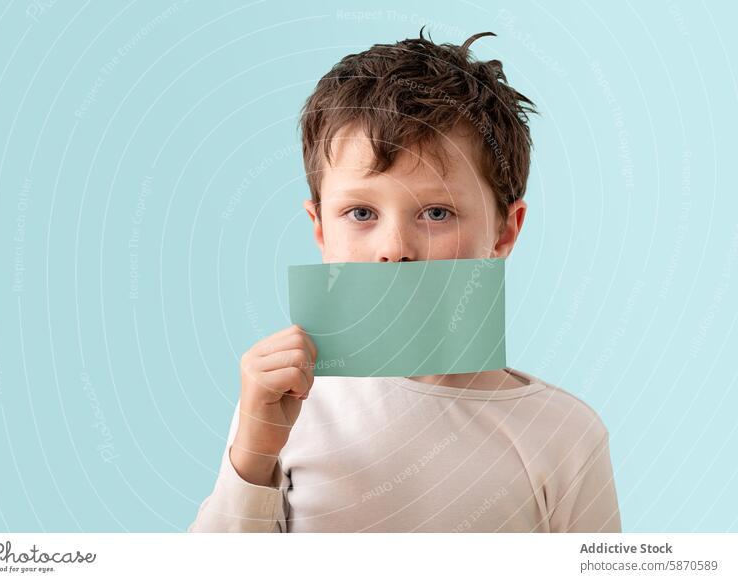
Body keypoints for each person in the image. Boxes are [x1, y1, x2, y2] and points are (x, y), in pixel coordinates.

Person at [188, 28, 621, 533]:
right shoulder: (284, 406)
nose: (395, 248)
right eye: (361, 212)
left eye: (437, 212)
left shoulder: (565, 436)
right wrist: (253, 455)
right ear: (320, 229)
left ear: (505, 232)